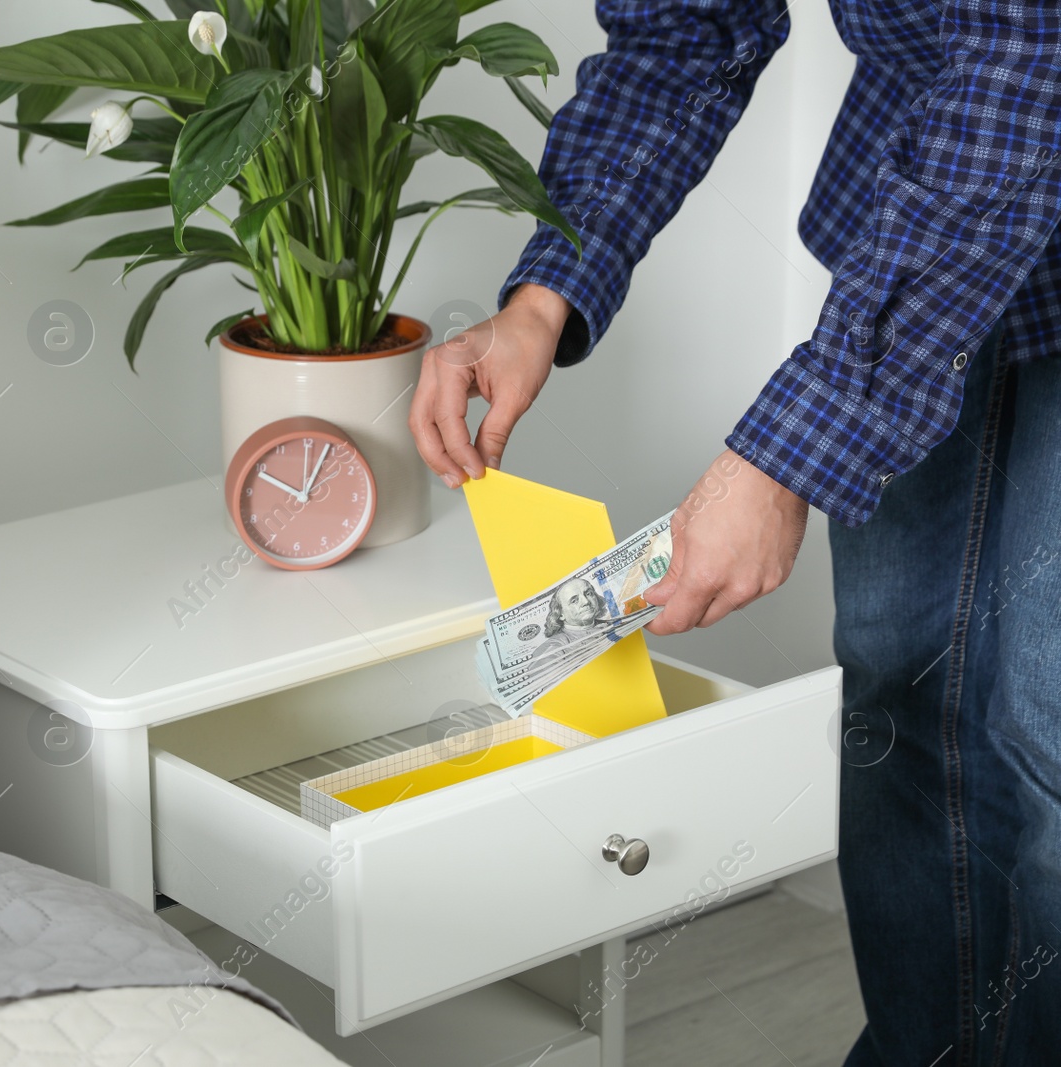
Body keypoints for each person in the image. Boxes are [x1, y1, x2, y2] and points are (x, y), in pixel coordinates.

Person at [408, 1, 1061, 1062]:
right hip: (920, 220)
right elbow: (686, 28)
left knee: (1047, 728)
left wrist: (780, 460)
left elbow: (1031, 64)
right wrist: (543, 295)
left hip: (994, 147)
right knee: (895, 679)